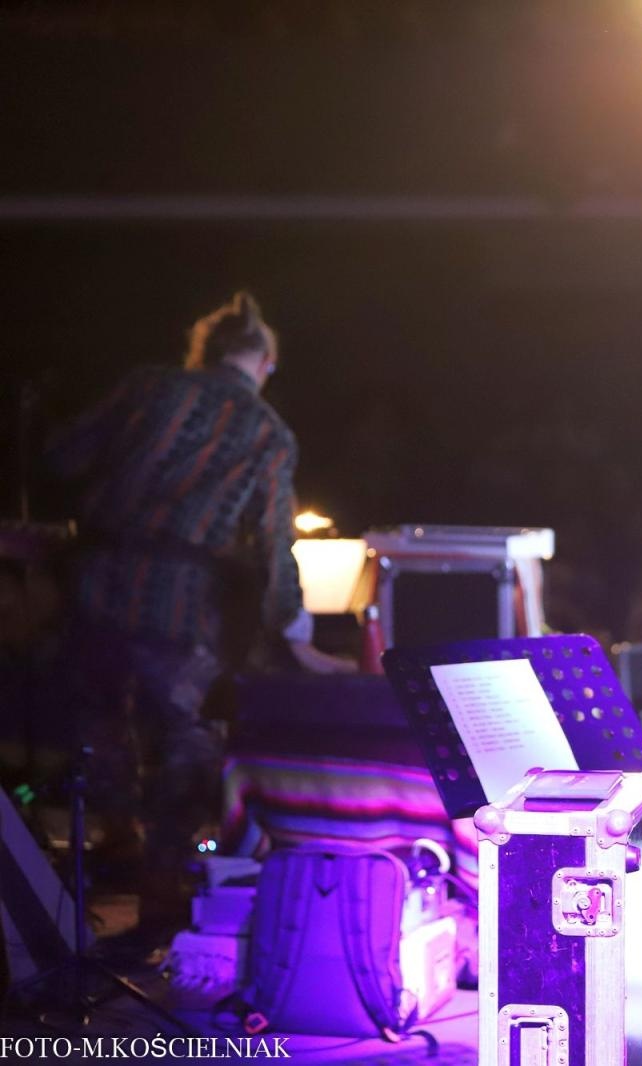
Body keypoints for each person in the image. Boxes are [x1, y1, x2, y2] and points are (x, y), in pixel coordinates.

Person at [46, 291, 349, 941]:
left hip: (98, 580)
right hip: (178, 600)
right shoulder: (266, 430)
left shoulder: (147, 387)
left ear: (202, 350)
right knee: (185, 733)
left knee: (95, 717)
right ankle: (159, 885)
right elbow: (273, 540)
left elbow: (64, 455)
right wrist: (294, 632)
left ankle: (116, 836)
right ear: (264, 362)